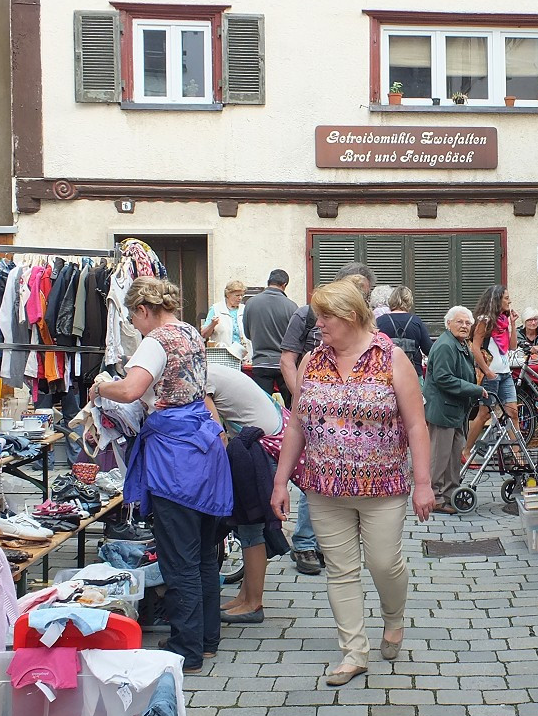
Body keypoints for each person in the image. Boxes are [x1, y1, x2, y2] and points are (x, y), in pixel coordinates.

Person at [270, 279, 434, 687]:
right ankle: (353, 651)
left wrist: (423, 483)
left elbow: (416, 425)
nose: (318, 325)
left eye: (325, 317)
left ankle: (393, 618)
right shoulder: (312, 361)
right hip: (323, 487)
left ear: (351, 316)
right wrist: (279, 481)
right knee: (341, 571)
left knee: (383, 563)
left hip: (383, 487)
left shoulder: (392, 359)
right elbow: (296, 428)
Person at [91, 278, 231, 674]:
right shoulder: (190, 332)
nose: (136, 326)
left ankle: (186, 649)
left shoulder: (155, 341)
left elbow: (133, 389)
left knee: (179, 556)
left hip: (176, 457)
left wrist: (102, 388)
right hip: (203, 446)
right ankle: (206, 640)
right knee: (204, 554)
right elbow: (203, 391)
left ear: (143, 310)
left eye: (135, 318)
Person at [277, 261, 375, 575]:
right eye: (355, 292)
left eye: (364, 295)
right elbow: (287, 360)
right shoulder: (306, 314)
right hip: (315, 414)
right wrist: (305, 401)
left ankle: (327, 541)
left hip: (351, 419)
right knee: (313, 475)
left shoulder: (365, 322)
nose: (360, 300)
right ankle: (305, 544)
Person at [204, 363, 288, 624]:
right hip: (267, 441)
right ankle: (245, 597)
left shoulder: (199, 381)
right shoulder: (210, 370)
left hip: (261, 448)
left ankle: (253, 603)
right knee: (251, 526)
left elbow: (218, 436)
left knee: (251, 527)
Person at [423, 306, 487, 514]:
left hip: (455, 409)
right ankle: (435, 497)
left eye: (468, 323)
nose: (465, 326)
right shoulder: (445, 345)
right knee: (440, 456)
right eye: (460, 322)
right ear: (448, 323)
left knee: (452, 455)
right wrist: (474, 389)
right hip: (443, 409)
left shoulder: (458, 343)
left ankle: (450, 493)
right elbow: (443, 378)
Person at [464, 285, 519, 459]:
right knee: (484, 413)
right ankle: (466, 450)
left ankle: (518, 453)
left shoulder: (503, 320)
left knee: (513, 412)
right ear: (497, 300)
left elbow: (512, 346)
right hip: (491, 373)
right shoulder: (485, 320)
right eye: (506, 298)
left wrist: (513, 323)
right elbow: (475, 347)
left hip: (505, 372)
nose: (509, 301)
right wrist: (486, 371)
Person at [242, 269, 298, 398]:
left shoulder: (250, 303)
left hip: (260, 363)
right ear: (284, 285)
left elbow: (247, 333)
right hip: (284, 363)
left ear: (268, 282)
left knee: (263, 406)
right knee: (291, 406)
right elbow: (296, 339)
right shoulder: (291, 306)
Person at [376, 286, 432, 379]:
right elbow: (428, 349)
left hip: (386, 374)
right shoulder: (416, 321)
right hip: (413, 373)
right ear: (409, 301)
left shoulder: (380, 321)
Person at [201, 280, 250, 362]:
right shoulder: (216, 309)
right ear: (228, 295)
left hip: (244, 357)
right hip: (223, 357)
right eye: (237, 295)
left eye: (242, 295)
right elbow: (204, 334)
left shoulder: (244, 309)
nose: (240, 298)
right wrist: (212, 325)